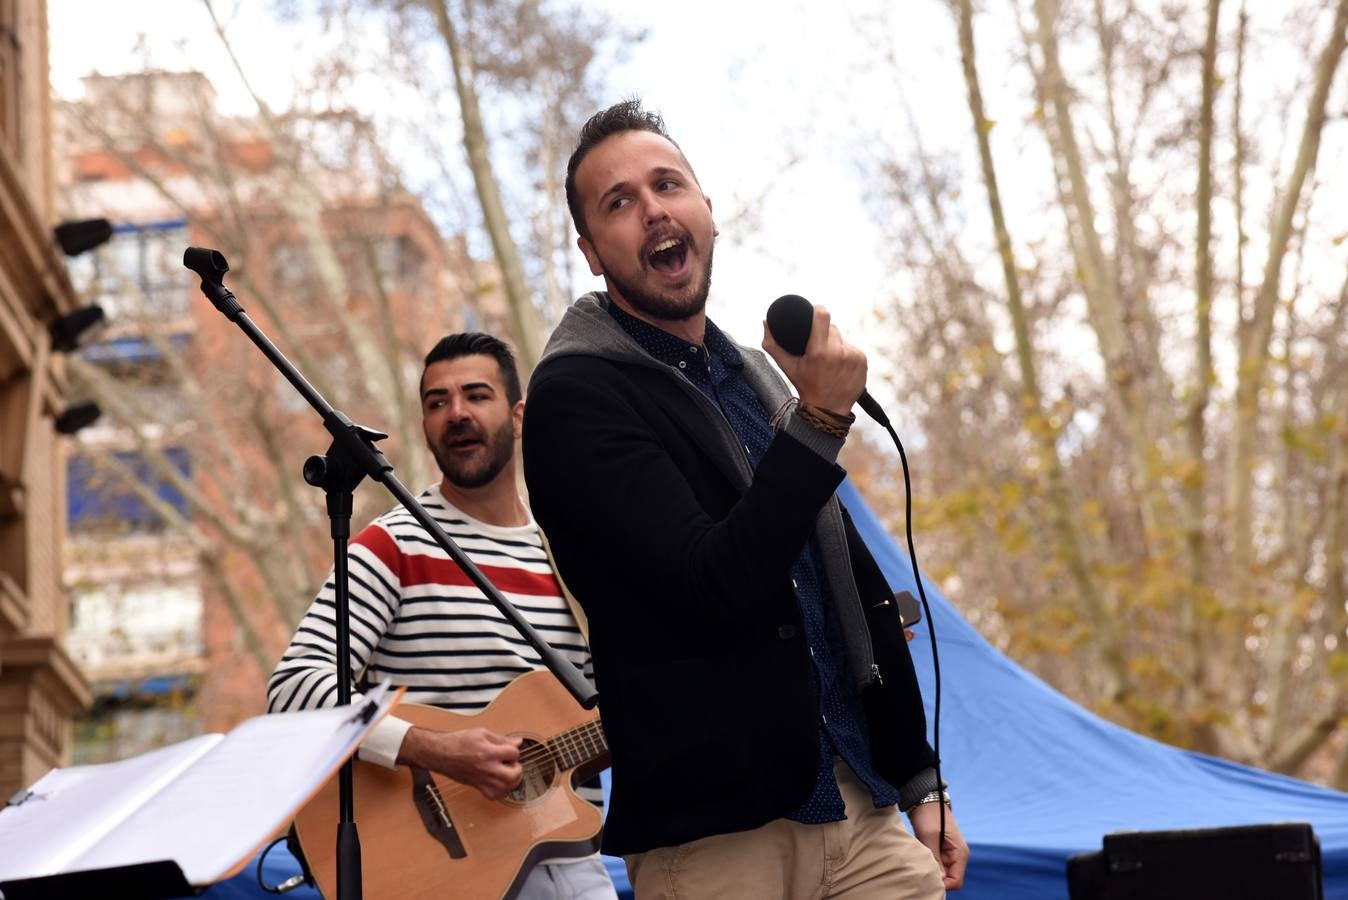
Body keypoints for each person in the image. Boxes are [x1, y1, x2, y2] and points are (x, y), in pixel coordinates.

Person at [521, 100, 969, 898]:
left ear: (707, 211)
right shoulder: (575, 398)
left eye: (668, 184)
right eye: (619, 202)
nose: (653, 208)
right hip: (719, 842)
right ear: (592, 253)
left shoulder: (756, 380)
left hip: (858, 809)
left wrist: (918, 780)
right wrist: (821, 422)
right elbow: (711, 587)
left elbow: (851, 591)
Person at [267, 332, 617, 900]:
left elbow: (613, 717)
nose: (456, 414)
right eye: (437, 402)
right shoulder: (395, 544)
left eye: (476, 395)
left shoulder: (570, 555)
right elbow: (294, 690)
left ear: (519, 415)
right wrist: (435, 749)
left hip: (566, 857)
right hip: (435, 873)